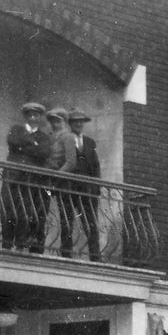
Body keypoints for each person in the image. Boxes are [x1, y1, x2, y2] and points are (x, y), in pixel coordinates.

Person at [2, 101, 52, 251]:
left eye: (36, 115)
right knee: (9, 209)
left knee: (26, 211)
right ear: (26, 116)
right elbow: (12, 140)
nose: (33, 117)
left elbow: (44, 152)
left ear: (39, 118)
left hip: (31, 179)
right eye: (30, 114)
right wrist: (33, 144)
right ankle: (7, 244)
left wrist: (24, 146)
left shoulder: (43, 137)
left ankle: (20, 245)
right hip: (13, 177)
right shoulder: (16, 129)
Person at [43, 107, 80, 257]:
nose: (54, 124)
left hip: (63, 179)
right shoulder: (49, 136)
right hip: (47, 177)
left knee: (66, 215)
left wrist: (57, 176)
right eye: (52, 121)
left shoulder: (68, 137)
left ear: (64, 122)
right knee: (41, 210)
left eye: (57, 121)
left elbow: (71, 162)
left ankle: (66, 251)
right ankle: (38, 246)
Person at [66, 107, 101, 259]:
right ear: (70, 124)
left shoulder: (89, 142)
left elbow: (96, 166)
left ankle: (95, 254)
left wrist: (96, 187)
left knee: (90, 221)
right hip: (69, 186)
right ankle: (66, 252)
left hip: (87, 189)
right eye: (75, 122)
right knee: (66, 219)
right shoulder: (65, 139)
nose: (78, 124)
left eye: (81, 121)